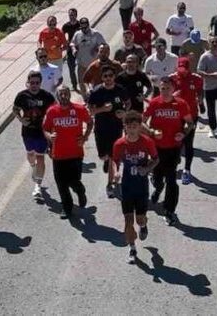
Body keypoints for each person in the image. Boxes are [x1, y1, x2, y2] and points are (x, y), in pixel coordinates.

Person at [143, 76, 193, 225]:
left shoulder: (181, 104)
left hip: (173, 148)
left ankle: (169, 210)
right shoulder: (154, 103)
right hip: (157, 148)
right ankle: (158, 188)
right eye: (162, 88)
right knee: (158, 178)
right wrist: (151, 132)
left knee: (172, 180)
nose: (164, 91)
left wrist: (183, 133)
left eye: (167, 88)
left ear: (173, 89)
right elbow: (142, 122)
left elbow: (190, 123)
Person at [109, 112, 158, 263]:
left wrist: (147, 168)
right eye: (129, 126)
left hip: (141, 186)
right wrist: (116, 172)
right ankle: (132, 248)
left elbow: (156, 159)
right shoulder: (119, 144)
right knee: (128, 221)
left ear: (140, 128)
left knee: (140, 219)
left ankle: (143, 226)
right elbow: (114, 160)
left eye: (135, 127)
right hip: (127, 186)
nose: (131, 130)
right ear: (125, 127)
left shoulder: (147, 142)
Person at [43, 86, 93, 220]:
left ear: (69, 95)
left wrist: (85, 136)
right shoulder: (52, 111)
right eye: (61, 94)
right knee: (61, 183)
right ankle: (67, 208)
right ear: (57, 96)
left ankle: (80, 191)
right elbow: (45, 128)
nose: (63, 96)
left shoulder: (79, 109)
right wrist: (49, 136)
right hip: (58, 154)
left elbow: (90, 122)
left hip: (75, 153)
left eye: (65, 94)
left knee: (73, 180)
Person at [88, 65, 132, 198]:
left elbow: (128, 103)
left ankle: (110, 184)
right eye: (105, 76)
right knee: (103, 156)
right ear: (102, 78)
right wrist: (102, 109)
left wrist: (124, 113)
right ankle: (106, 159)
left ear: (114, 77)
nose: (108, 78)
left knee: (114, 156)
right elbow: (90, 110)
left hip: (116, 127)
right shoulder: (97, 91)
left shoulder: (120, 90)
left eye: (110, 76)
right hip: (101, 128)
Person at [13, 71, 56, 200]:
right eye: (32, 83)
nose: (34, 85)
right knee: (30, 154)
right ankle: (33, 167)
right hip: (27, 131)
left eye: (37, 83)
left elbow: (55, 111)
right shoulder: (22, 96)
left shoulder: (47, 96)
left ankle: (38, 185)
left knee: (40, 157)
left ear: (40, 83)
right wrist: (20, 119)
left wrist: (52, 127)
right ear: (28, 82)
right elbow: (15, 109)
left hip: (42, 132)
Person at [172, 57, 205, 185]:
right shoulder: (172, 78)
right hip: (175, 115)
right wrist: (174, 95)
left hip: (191, 115)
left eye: (185, 69)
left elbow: (200, 91)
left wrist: (201, 103)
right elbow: (165, 93)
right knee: (175, 141)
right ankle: (174, 163)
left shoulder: (196, 78)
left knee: (188, 142)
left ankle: (187, 170)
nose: (182, 72)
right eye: (180, 69)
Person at [71, 17, 106, 96]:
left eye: (85, 27)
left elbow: (103, 45)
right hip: (81, 63)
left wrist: (97, 48)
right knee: (81, 82)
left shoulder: (96, 34)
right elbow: (72, 43)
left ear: (88, 25)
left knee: (95, 81)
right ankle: (85, 98)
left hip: (93, 64)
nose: (84, 29)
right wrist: (74, 49)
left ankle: (96, 97)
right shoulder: (77, 34)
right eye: (82, 27)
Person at [62, 9, 81, 90]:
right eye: (70, 15)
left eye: (73, 15)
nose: (71, 17)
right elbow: (61, 36)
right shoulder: (66, 26)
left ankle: (83, 84)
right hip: (70, 50)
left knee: (82, 67)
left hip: (80, 49)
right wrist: (65, 43)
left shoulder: (80, 25)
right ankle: (74, 85)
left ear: (76, 15)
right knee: (71, 68)